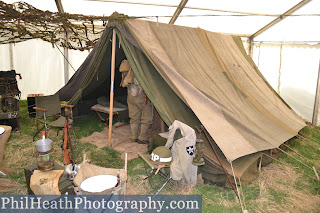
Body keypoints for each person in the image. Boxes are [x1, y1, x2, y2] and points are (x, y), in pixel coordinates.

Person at [119, 59, 153, 144]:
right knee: (147, 117)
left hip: (130, 95)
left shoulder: (126, 70)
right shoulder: (137, 67)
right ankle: (142, 138)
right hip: (140, 96)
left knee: (134, 117)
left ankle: (134, 137)